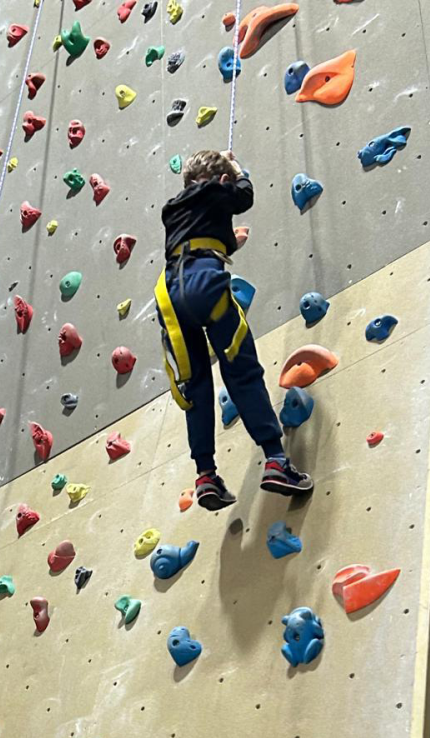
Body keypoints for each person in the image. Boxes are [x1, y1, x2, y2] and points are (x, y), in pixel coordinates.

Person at [156, 148, 313, 511]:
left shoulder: (172, 208)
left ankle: (205, 475)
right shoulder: (217, 188)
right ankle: (276, 459)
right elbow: (244, 196)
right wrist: (237, 168)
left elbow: (197, 237)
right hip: (204, 285)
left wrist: (228, 243)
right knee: (241, 370)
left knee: (195, 386)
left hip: (170, 296)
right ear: (221, 180)